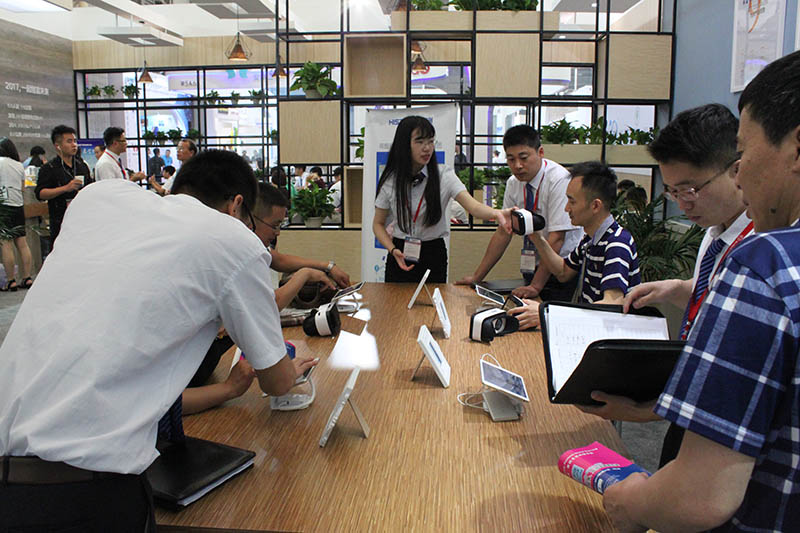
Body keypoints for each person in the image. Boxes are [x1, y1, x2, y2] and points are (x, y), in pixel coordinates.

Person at [0, 150, 317, 530]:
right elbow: (276, 383)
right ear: (236, 206)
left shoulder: (97, 198)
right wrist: (290, 371)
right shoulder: (233, 239)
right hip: (87, 492)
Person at [603, 51, 800, 533]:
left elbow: (699, 495)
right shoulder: (729, 246)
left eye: (745, 153)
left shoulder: (763, 263)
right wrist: (681, 288)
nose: (742, 174)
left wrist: (628, 501)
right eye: (673, 192)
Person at [580, 104, 751, 468]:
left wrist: (645, 411)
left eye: (691, 189)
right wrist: (678, 288)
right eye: (673, 191)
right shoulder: (714, 234)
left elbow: (733, 379)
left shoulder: (757, 251)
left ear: (736, 170)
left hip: (717, 425)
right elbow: (715, 295)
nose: (683, 204)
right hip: (685, 406)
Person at [373, 115, 511, 283]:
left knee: (433, 299)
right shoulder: (391, 180)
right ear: (404, 144)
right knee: (395, 299)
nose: (427, 148)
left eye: (431, 141)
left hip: (433, 253)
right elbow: (378, 224)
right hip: (400, 252)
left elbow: (473, 206)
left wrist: (497, 213)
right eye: (419, 141)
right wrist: (392, 249)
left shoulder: (444, 175)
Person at [456, 125, 583, 301]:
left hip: (561, 266)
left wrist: (536, 285)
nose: (517, 165)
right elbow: (504, 232)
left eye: (523, 158)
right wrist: (477, 277)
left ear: (540, 152)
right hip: (533, 265)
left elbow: (557, 238)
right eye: (511, 159)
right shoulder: (513, 183)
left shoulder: (558, 180)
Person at [508, 161, 641, 329]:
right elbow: (563, 272)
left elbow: (612, 305)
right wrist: (537, 238)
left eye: (572, 201)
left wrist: (548, 314)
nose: (566, 208)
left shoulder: (617, 243)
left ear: (595, 205)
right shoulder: (590, 240)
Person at [35, 125, 93, 243]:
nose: (74, 145)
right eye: (69, 141)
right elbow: (40, 193)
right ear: (58, 146)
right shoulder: (49, 168)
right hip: (60, 219)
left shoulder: (81, 165)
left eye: (75, 141)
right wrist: (65, 188)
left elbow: (90, 186)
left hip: (83, 217)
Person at [0, 138, 33, 291]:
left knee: (6, 244)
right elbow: (22, 188)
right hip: (18, 206)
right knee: (22, 243)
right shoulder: (19, 165)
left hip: (3, 206)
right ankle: (27, 277)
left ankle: (11, 281)